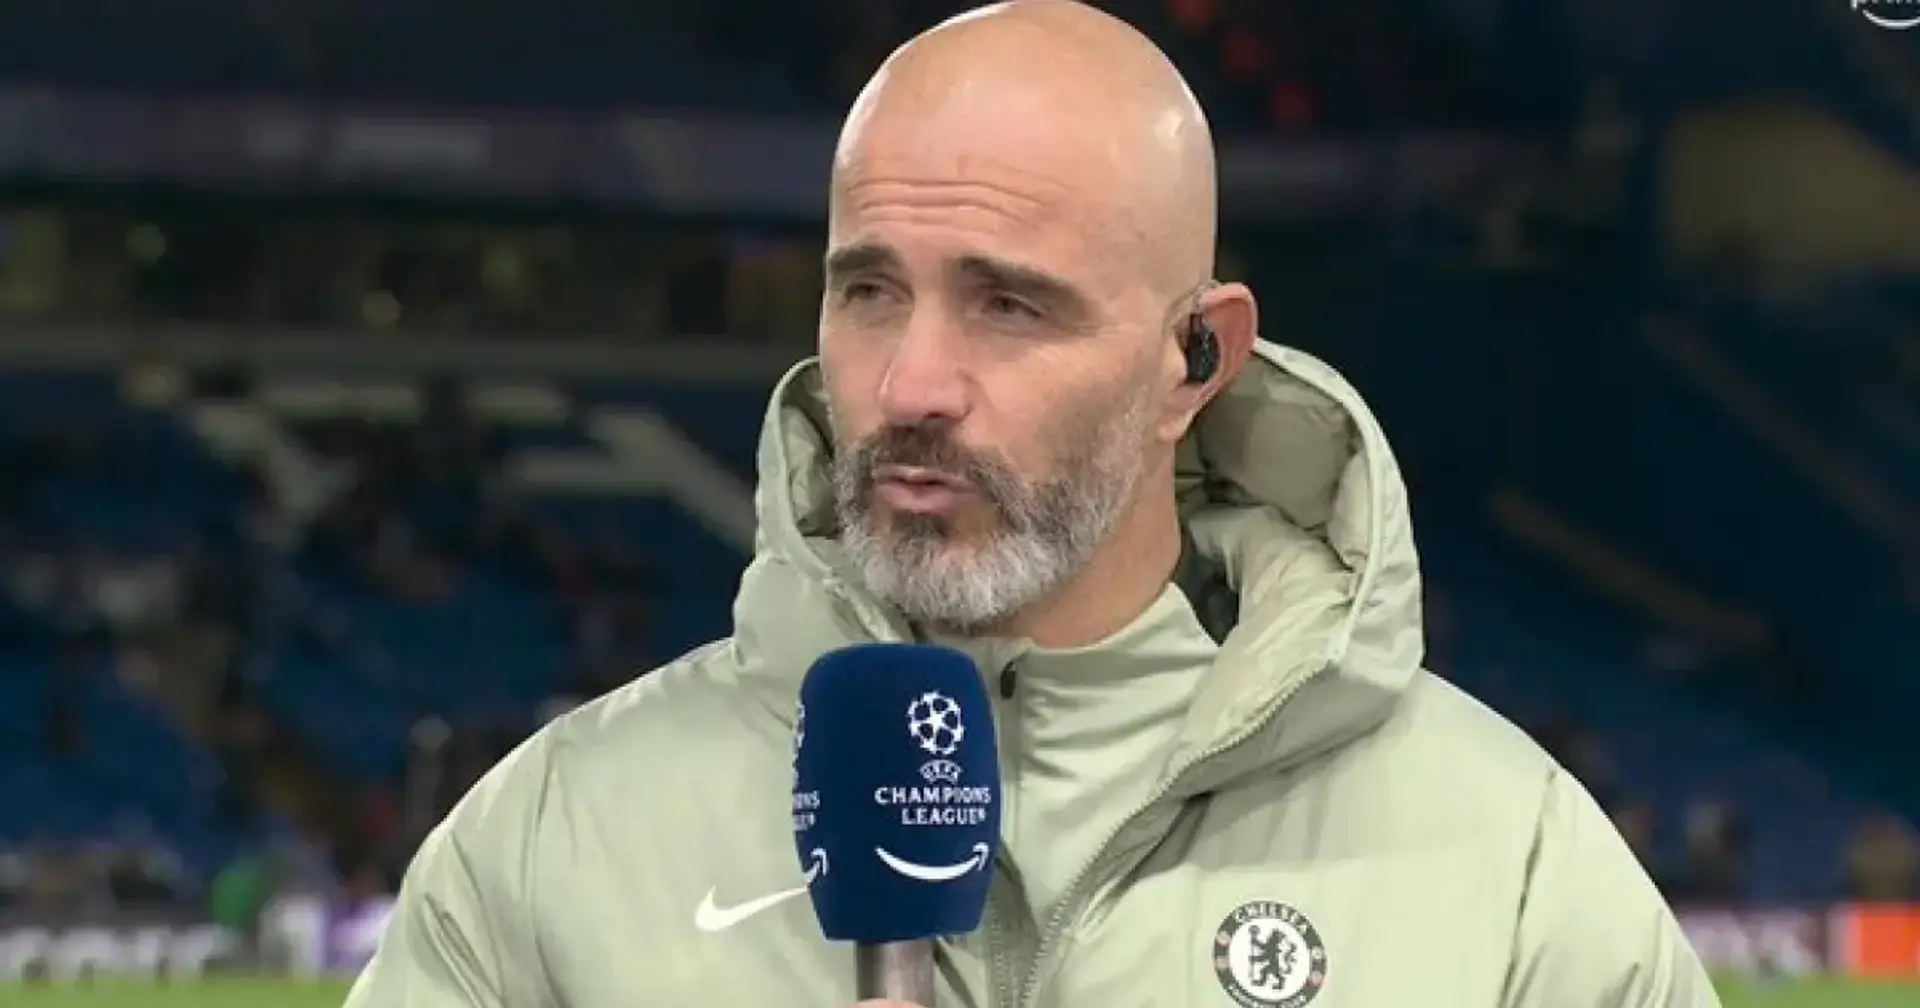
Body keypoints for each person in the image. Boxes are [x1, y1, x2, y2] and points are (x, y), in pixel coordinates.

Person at [346, 3, 1718, 1006]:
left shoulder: (1510, 864)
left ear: (1196, 361)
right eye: (868, 290)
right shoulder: (554, 844)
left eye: (1009, 305)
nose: (910, 384)